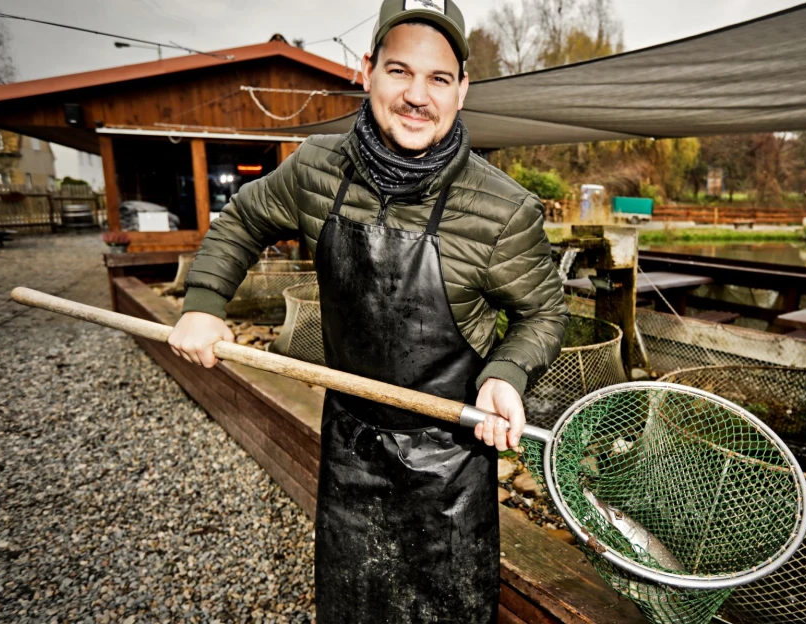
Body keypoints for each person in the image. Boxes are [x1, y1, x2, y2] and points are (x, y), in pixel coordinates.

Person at [166, 1, 569, 622]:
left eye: (439, 78)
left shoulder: (502, 210)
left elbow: (543, 314)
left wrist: (505, 375)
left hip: (450, 461)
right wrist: (204, 302)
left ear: (462, 89)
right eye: (399, 71)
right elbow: (243, 219)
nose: (417, 95)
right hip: (350, 443)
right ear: (367, 71)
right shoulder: (315, 169)